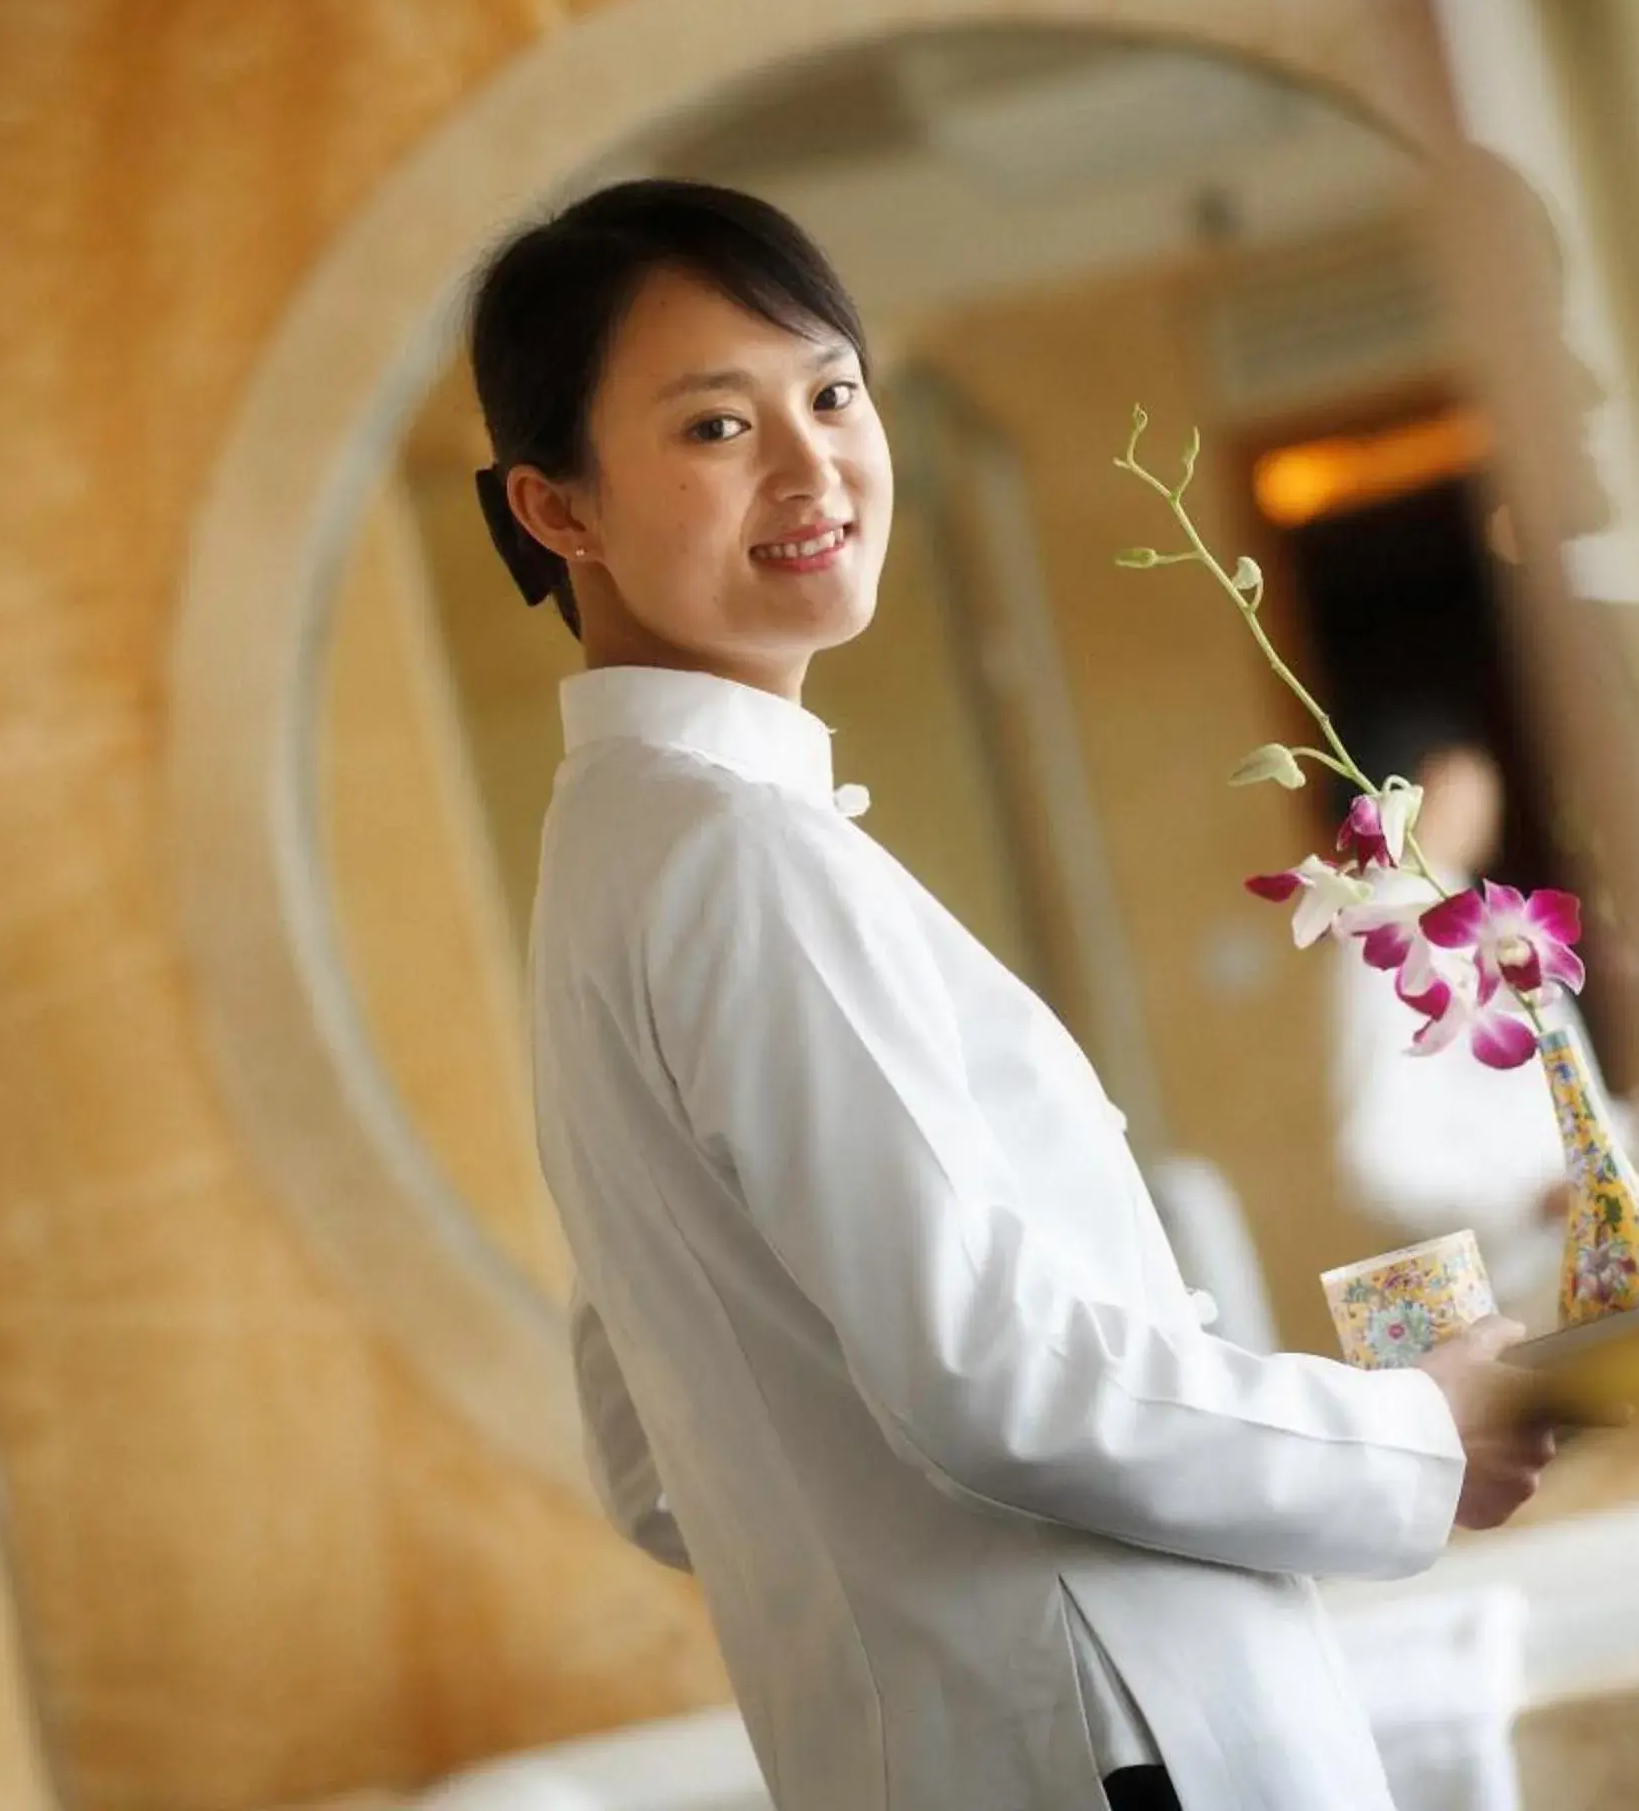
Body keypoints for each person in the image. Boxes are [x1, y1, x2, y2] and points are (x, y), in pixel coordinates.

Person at [475, 179, 1557, 1811]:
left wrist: (883, 1576)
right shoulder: (736, 858)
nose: (813, 465)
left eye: (832, 393)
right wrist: (1410, 1439)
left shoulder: (614, 861)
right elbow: (995, 1380)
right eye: (715, 427)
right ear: (557, 510)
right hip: (1117, 1757)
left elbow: (660, 1465)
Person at [1329, 720, 1578, 1327]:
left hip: (1573, 1245)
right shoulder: (1391, 937)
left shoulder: (1494, 918)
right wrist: (1524, 1202)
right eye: (1459, 784)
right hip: (1512, 1279)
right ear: (1409, 796)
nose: (1482, 803)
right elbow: (1376, 1154)